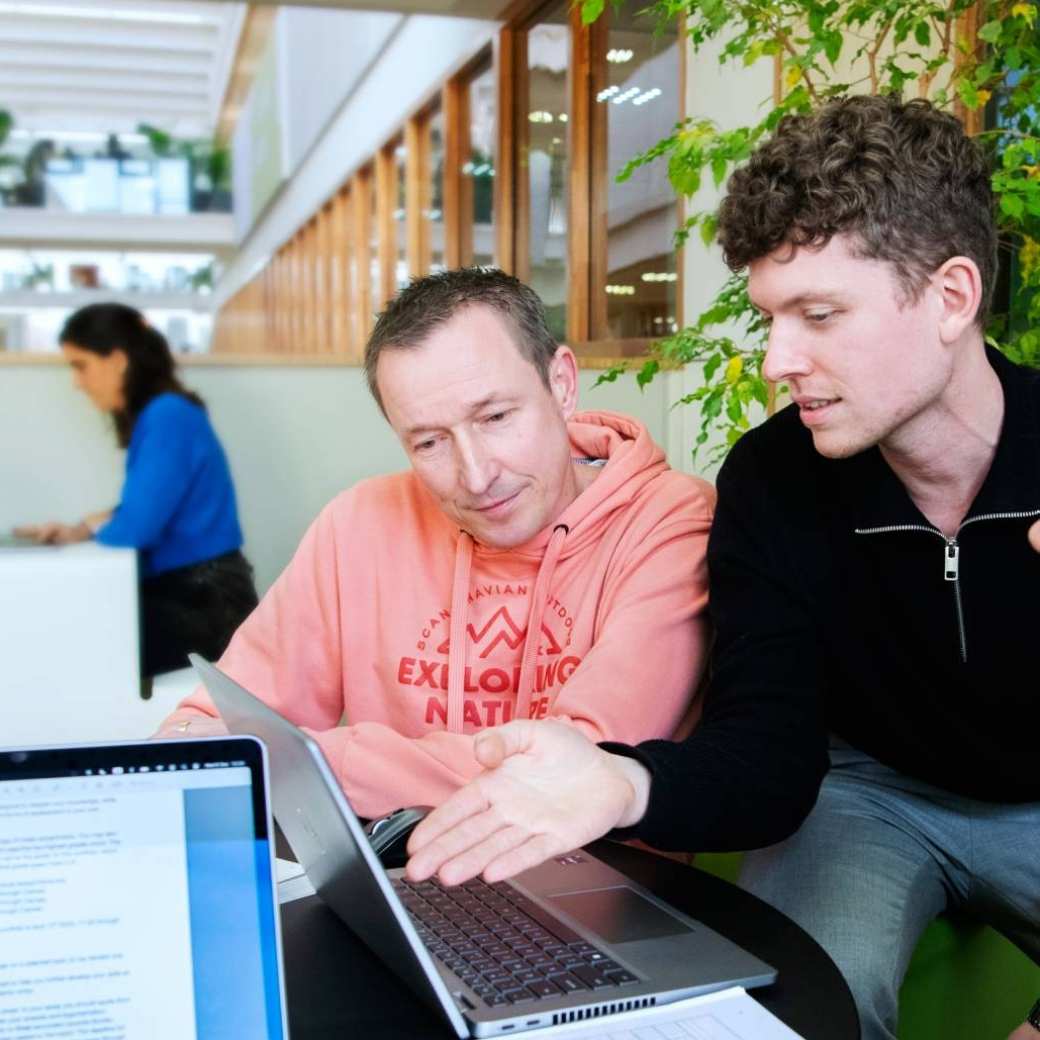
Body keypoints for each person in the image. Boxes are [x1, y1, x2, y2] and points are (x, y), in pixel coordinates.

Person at [404, 98, 1040, 1040]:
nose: (780, 359)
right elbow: (769, 754)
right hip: (865, 793)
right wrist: (622, 783)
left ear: (951, 296)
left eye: (819, 314)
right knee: (787, 1011)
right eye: (773, 318)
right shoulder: (776, 480)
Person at [154, 268, 716, 822]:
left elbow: (580, 770)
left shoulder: (669, 518)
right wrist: (210, 746)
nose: (475, 476)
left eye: (495, 416)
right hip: (404, 876)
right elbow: (213, 726)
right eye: (429, 442)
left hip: (605, 885)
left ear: (562, 384)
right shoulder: (358, 523)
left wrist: (318, 759)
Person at [16, 303, 257, 677]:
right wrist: (79, 529)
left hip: (201, 605)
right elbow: (142, 509)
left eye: (80, 366)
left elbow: (135, 527)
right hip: (199, 596)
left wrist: (97, 528)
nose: (76, 383)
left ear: (116, 360)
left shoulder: (166, 416)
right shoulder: (166, 414)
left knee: (65, 645)